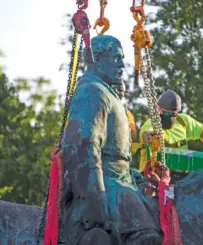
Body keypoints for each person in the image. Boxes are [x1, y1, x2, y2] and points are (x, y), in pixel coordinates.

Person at [60, 35, 161, 245]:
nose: (122, 65)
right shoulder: (93, 91)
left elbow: (116, 157)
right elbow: (82, 146)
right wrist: (94, 198)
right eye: (116, 58)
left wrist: (138, 178)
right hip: (106, 186)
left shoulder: (106, 92)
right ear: (97, 59)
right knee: (147, 238)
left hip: (120, 183)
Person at [139, 90, 203, 172]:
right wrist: (149, 136)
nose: (169, 116)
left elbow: (202, 131)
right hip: (152, 176)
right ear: (158, 109)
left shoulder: (183, 122)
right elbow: (145, 134)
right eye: (165, 113)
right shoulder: (152, 123)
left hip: (181, 178)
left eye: (173, 114)